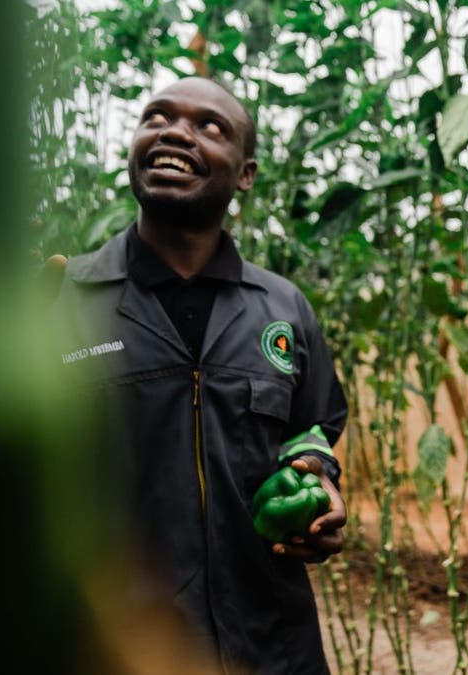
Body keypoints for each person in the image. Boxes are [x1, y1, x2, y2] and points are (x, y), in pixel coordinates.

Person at [51, 77, 349, 674]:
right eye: (156, 118)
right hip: (114, 647)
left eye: (209, 126)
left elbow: (310, 428)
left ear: (245, 173)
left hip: (269, 644)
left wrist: (320, 485)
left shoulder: (283, 308)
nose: (174, 131)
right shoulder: (59, 300)